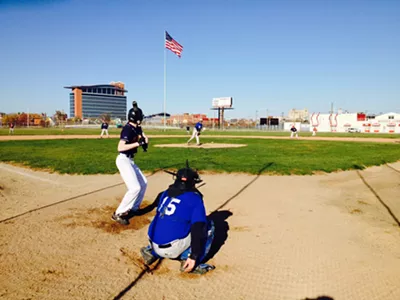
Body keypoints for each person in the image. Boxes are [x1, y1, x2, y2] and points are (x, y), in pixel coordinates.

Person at [140, 163, 215, 275]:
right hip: (172, 249)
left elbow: (152, 208)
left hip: (153, 243)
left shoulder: (165, 193)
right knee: (208, 225)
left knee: (165, 218)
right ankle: (189, 260)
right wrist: (194, 256)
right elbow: (197, 228)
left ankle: (151, 252)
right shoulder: (194, 199)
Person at [112, 109, 148, 225]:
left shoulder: (137, 127)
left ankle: (134, 208)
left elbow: (143, 136)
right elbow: (120, 147)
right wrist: (138, 143)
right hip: (123, 160)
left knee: (143, 183)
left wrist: (145, 140)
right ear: (137, 119)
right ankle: (118, 213)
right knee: (135, 188)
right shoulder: (127, 129)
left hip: (130, 160)